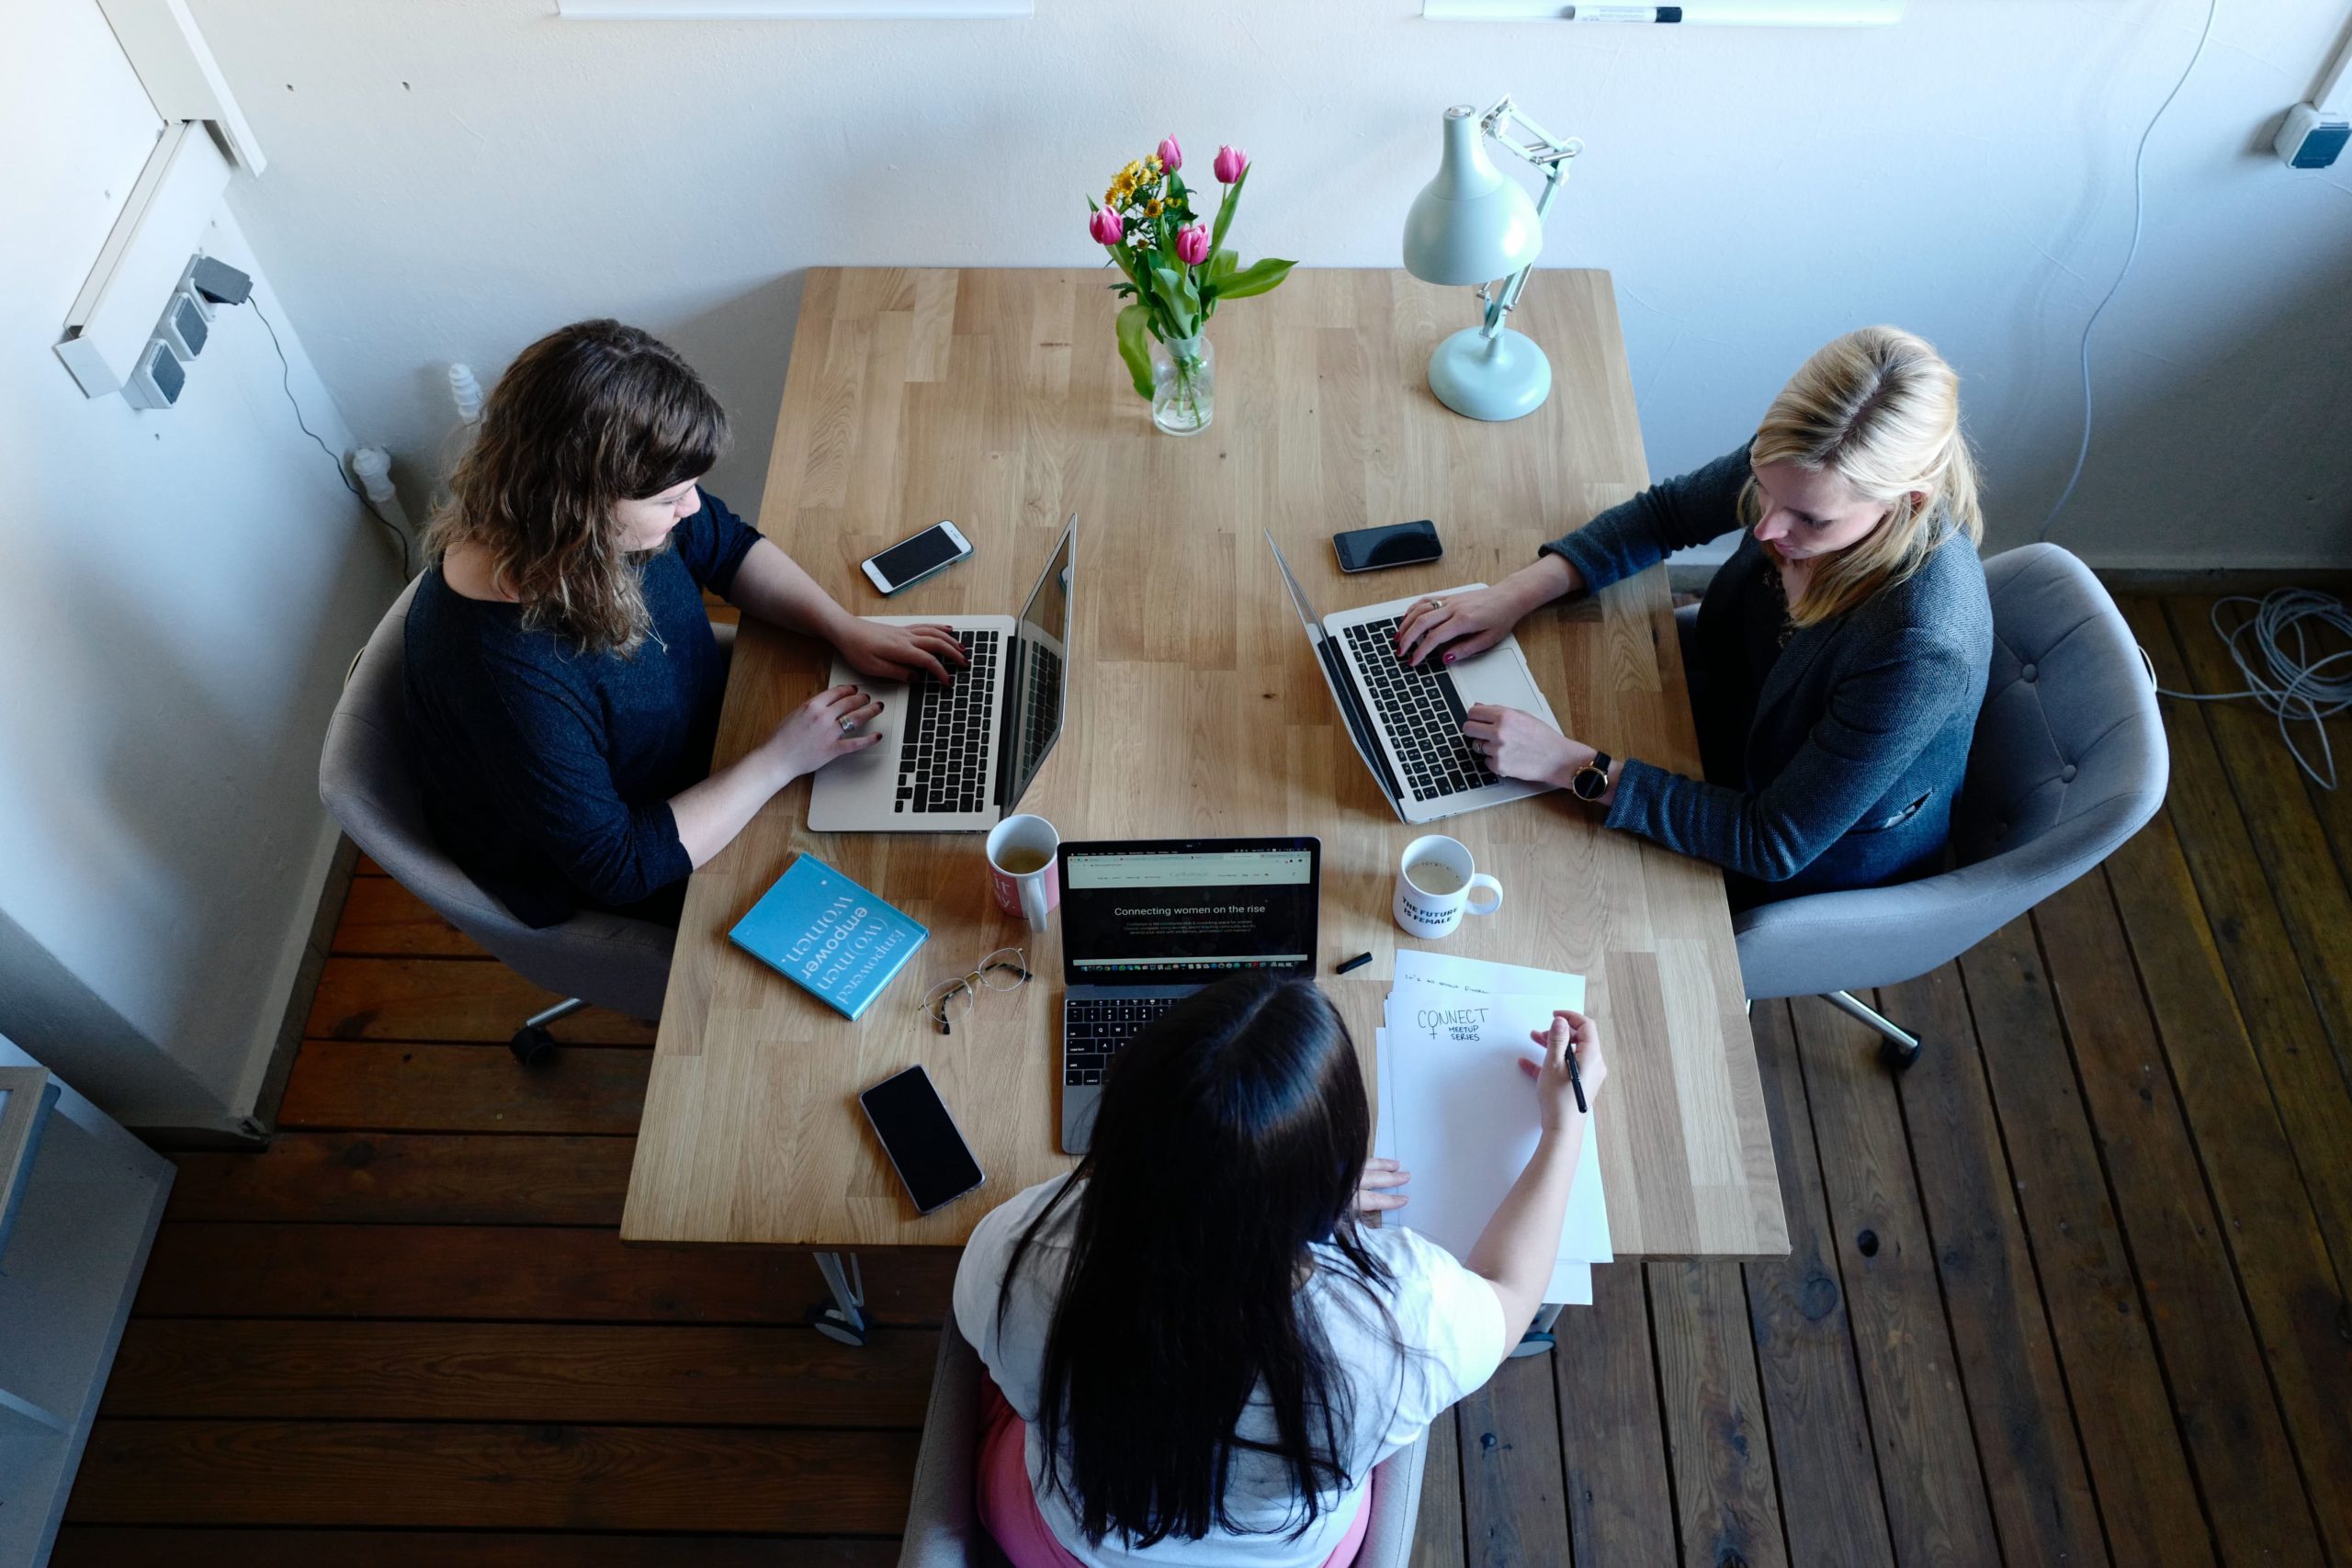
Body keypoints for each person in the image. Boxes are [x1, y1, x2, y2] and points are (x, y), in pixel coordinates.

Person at [953, 973, 1605, 1568]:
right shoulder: (1401, 1324)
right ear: (1332, 1186)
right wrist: (1564, 1126)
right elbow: (1511, 1292)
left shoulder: (1015, 1253)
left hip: (1067, 1543)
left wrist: (1254, 1186)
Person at [1396, 324, 1993, 905]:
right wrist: (1513, 595)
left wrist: (1566, 763)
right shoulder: (1804, 462)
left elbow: (1771, 840)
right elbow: (1667, 515)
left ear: (1908, 500)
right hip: (1726, 716)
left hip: (1798, 859)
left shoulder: (1919, 646)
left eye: (1810, 520)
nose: (1766, 527)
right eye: (1763, 487)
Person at [405, 319, 968, 928]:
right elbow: (618, 865)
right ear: (576, 504)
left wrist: (841, 626)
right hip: (650, 848)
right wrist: (779, 760)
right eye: (670, 499)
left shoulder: (589, 529)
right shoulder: (502, 674)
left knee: (921, 811)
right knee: (905, 886)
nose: (692, 507)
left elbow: (726, 548)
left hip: (719, 741)